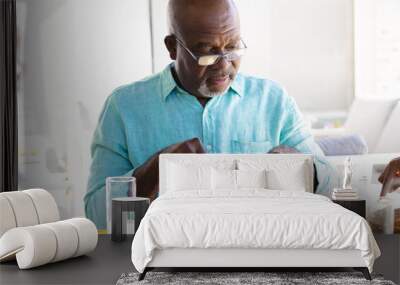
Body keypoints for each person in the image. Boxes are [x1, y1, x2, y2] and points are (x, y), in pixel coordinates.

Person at [84, 0, 336, 229]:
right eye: (207, 52)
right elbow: (96, 214)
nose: (224, 64)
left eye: (233, 47)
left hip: (261, 250)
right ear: (173, 47)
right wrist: (155, 172)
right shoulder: (124, 107)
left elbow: (331, 181)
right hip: (164, 260)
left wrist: (299, 166)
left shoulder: (273, 100)